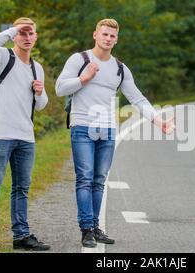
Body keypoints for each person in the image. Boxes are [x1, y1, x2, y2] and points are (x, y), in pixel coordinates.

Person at [55, 18, 175, 248]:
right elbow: (60, 88)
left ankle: (96, 227)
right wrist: (84, 78)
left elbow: (137, 99)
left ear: (116, 39)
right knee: (85, 178)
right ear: (95, 35)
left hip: (108, 129)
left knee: (99, 180)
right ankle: (86, 229)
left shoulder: (120, 68)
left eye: (112, 35)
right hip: (82, 127)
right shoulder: (79, 59)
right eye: (104, 34)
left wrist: (159, 121)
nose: (108, 38)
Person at [0, 17, 50, 251]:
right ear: (15, 35)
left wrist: (40, 92)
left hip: (26, 137)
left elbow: (41, 105)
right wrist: (12, 30)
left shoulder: (37, 67)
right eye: (23, 33)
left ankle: (21, 236)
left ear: (36, 37)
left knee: (21, 189)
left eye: (31, 34)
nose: (27, 38)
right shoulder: (1, 58)